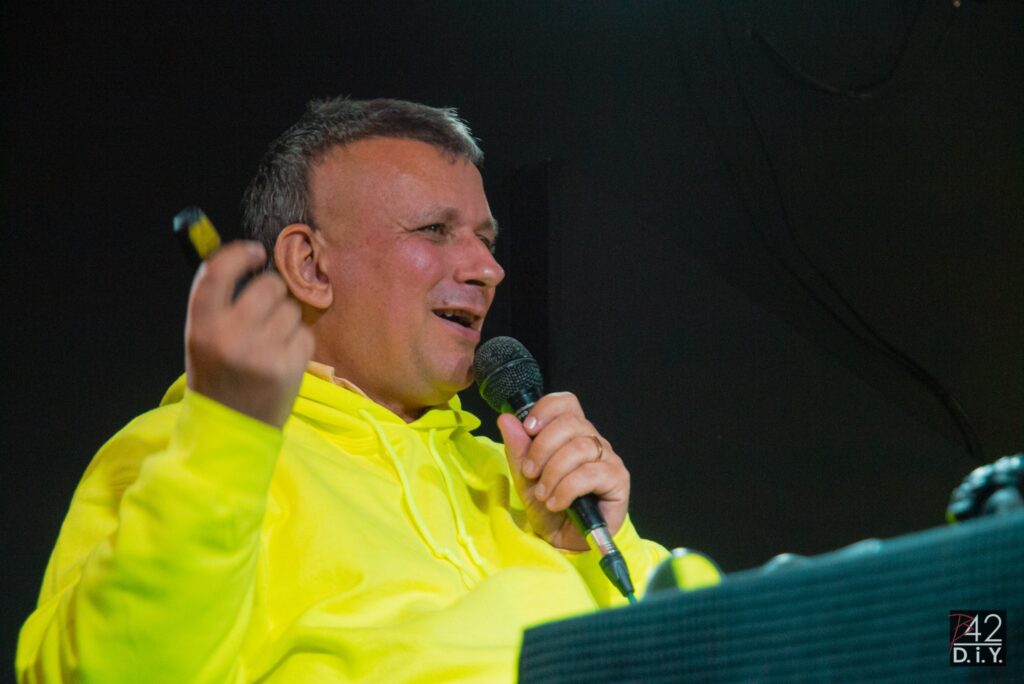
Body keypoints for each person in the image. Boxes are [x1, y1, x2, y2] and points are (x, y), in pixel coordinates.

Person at [16, 98, 674, 683]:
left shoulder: (524, 478)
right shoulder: (185, 454)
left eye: (485, 239)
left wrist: (589, 549)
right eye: (434, 230)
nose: (488, 269)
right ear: (310, 265)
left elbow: (698, 646)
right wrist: (224, 447)